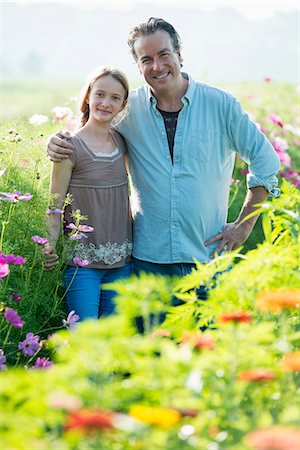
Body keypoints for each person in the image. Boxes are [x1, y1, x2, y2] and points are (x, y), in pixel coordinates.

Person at [46, 17, 280, 280]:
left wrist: (243, 226)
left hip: (208, 259)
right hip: (147, 263)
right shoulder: (127, 108)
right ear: (137, 66)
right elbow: (92, 130)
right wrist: (59, 140)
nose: (157, 66)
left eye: (164, 54)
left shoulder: (221, 105)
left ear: (180, 55)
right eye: (146, 59)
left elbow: (266, 161)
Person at [44, 66, 132, 321]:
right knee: (84, 340)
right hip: (83, 266)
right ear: (87, 97)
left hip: (122, 264)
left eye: (115, 98)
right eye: (100, 94)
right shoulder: (69, 147)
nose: (106, 103)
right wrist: (49, 244)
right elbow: (54, 205)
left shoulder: (121, 143)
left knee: (113, 339)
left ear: (123, 105)